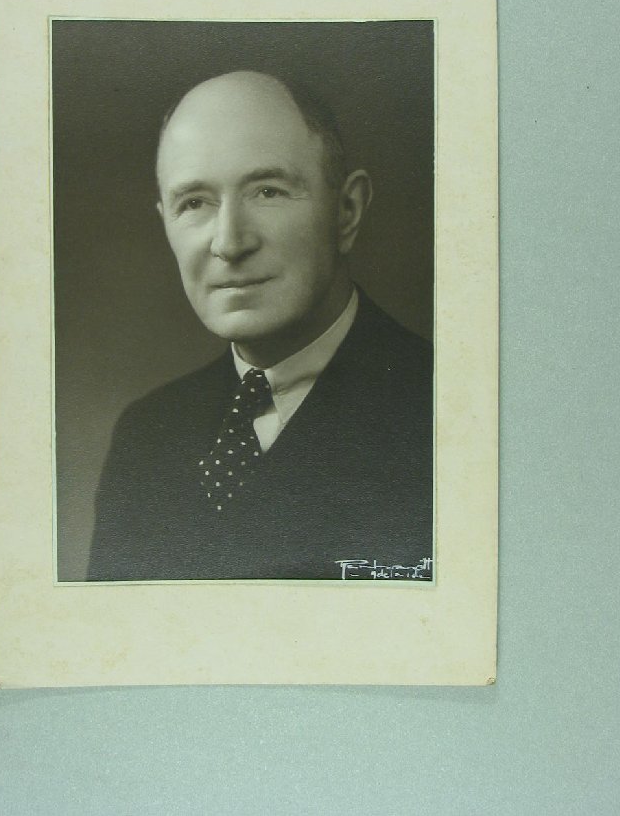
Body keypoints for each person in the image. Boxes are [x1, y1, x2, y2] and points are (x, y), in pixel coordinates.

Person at [87, 70, 433, 581]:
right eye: (194, 203)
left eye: (267, 191)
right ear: (165, 222)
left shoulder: (445, 412)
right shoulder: (145, 436)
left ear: (347, 211)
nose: (229, 243)